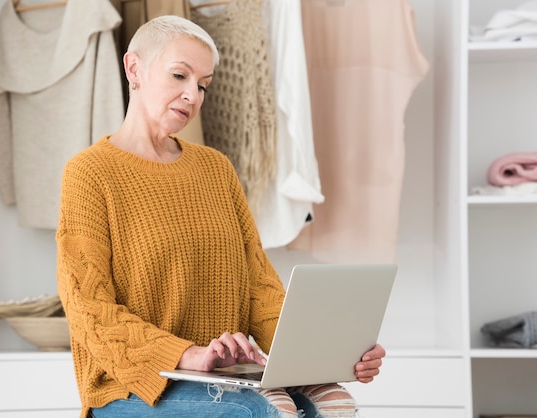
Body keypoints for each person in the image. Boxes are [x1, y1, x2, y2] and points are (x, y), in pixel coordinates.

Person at [56, 15, 386, 418]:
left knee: (334, 403)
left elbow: (258, 288)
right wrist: (188, 354)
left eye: (202, 85)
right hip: (130, 385)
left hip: (225, 376)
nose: (191, 95)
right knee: (259, 412)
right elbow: (89, 310)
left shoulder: (215, 169)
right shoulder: (90, 173)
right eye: (179, 75)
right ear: (134, 68)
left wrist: (333, 351)